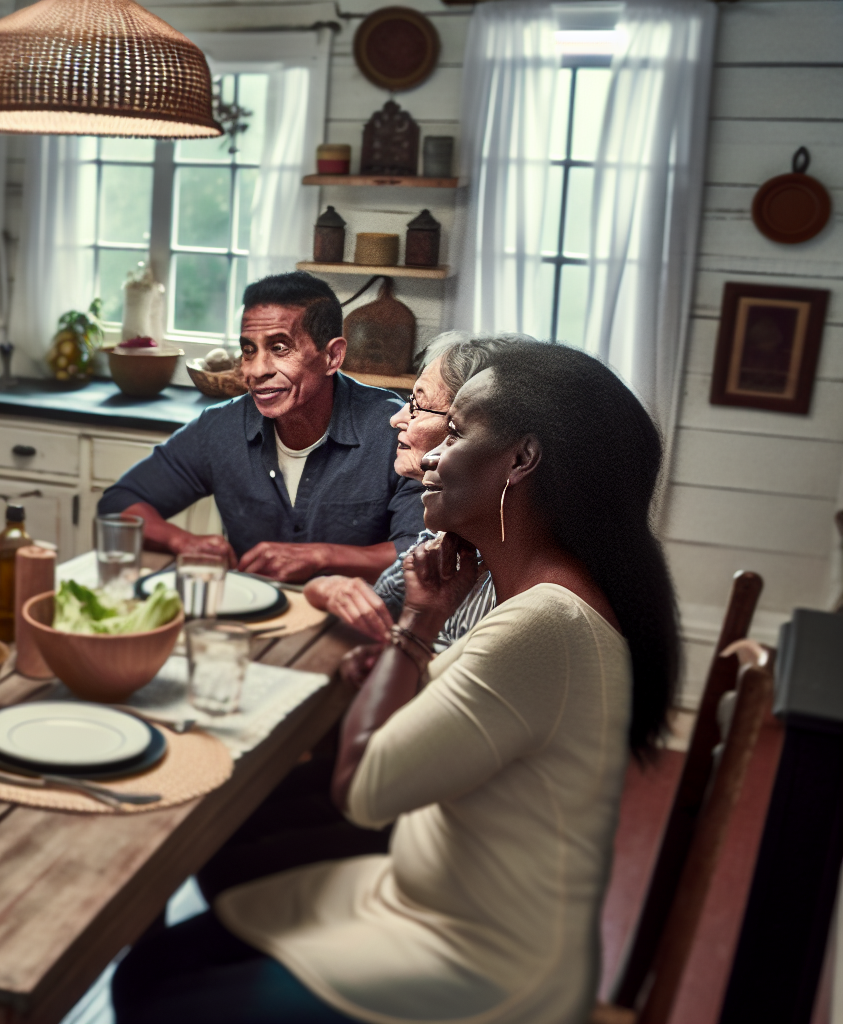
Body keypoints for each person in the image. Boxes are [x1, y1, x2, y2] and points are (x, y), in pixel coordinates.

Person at [113, 344, 679, 1023]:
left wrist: (414, 624)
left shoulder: (543, 625)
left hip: (479, 964)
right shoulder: (546, 600)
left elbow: (364, 790)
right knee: (160, 961)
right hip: (426, 895)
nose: (432, 454)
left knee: (157, 992)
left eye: (460, 431)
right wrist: (406, 655)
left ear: (522, 461)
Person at [98, 271, 423, 582]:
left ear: (332, 356)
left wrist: (321, 556)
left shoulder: (396, 429)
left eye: (280, 348)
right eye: (248, 350)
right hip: (248, 620)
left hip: (356, 624)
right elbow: (119, 503)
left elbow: (423, 551)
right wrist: (183, 542)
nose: (256, 370)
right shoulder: (221, 428)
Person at [302, 332, 533, 645]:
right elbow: (378, 609)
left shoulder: (524, 584)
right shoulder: (440, 542)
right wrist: (326, 588)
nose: (396, 419)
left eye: (419, 405)